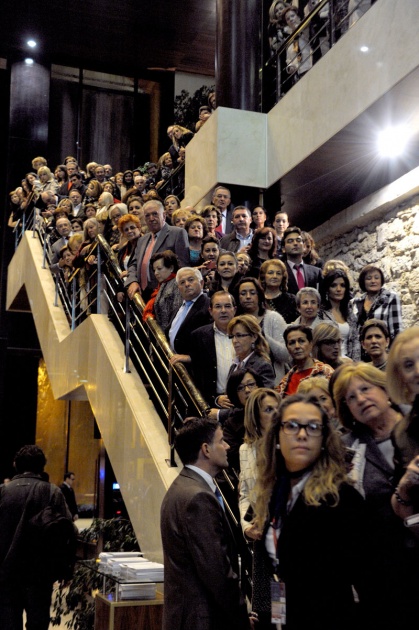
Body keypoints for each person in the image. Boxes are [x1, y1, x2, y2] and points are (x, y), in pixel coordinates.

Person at [253, 394, 374, 630]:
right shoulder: (273, 494)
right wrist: (272, 620)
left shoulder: (342, 499)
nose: (301, 434)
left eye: (313, 427)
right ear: (277, 436)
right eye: (291, 425)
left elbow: (371, 584)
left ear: (323, 440)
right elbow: (275, 573)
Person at [333, 363, 413, 628]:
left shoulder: (417, 422)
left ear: (385, 388)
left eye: (365, 389)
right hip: (385, 570)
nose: (360, 399)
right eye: (351, 398)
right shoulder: (346, 449)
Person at [160, 418, 251, 630]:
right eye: (222, 441)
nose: (228, 446)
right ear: (206, 450)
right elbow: (217, 573)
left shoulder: (183, 486)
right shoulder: (198, 497)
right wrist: (242, 619)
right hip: (201, 620)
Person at [0, 445, 75, 630]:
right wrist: (66, 568)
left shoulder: (3, 491)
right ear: (42, 466)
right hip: (40, 572)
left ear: (15, 464)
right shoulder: (52, 492)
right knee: (38, 623)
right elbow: (69, 531)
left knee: (8, 623)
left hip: (7, 572)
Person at [125, 200, 189, 301]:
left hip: (167, 295)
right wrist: (132, 281)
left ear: (163, 215)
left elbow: (183, 267)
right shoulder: (142, 240)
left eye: (155, 214)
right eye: (147, 215)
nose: (151, 218)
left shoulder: (177, 233)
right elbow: (133, 264)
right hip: (142, 293)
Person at [234, 276, 289, 383]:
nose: (248, 297)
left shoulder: (273, 318)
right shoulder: (235, 322)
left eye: (252, 292)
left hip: (273, 381)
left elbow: (286, 355)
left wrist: (262, 334)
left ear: (259, 295)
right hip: (244, 382)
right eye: (243, 293)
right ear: (238, 298)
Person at [188, 291, 237, 407]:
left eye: (228, 306)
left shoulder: (247, 334)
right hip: (213, 404)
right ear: (210, 311)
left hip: (244, 402)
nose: (223, 310)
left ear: (235, 309)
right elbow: (197, 377)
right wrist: (214, 400)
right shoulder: (198, 336)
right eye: (218, 306)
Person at [351, 263, 402, 345]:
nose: (373, 281)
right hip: (360, 352)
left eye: (376, 278)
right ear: (363, 282)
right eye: (369, 278)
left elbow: (396, 331)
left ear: (381, 280)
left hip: (382, 351)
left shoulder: (390, 298)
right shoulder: (356, 302)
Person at [277, 324, 334, 396]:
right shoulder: (284, 382)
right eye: (292, 343)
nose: (297, 346)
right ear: (287, 348)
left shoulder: (326, 372)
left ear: (311, 344)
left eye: (301, 341)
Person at [167, 267, 211, 356]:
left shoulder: (209, 306)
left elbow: (211, 340)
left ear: (201, 283)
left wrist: (191, 358)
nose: (187, 284)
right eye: (182, 282)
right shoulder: (177, 309)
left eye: (191, 280)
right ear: (178, 288)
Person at [321, 269, 361, 361]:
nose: (338, 289)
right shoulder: (321, 313)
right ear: (327, 289)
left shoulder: (350, 315)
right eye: (333, 285)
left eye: (342, 285)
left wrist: (356, 365)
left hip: (349, 364)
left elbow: (356, 343)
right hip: (328, 363)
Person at [227, 314, 276, 388]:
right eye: (232, 336)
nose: (234, 341)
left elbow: (264, 396)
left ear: (254, 337)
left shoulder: (263, 365)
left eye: (239, 336)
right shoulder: (234, 365)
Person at [143, 250, 182, 332]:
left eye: (159, 269)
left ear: (171, 268)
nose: (156, 273)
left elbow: (176, 313)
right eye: (154, 270)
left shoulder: (177, 283)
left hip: (170, 335)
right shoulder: (162, 285)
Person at [282, 226, 322, 294]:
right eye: (290, 241)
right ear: (283, 249)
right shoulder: (280, 272)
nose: (295, 243)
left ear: (303, 246)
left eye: (298, 240)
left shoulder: (316, 272)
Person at [259, 258, 298, 324]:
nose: (275, 276)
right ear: (263, 276)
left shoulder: (291, 299)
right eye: (270, 273)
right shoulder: (258, 298)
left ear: (283, 277)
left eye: (278, 273)